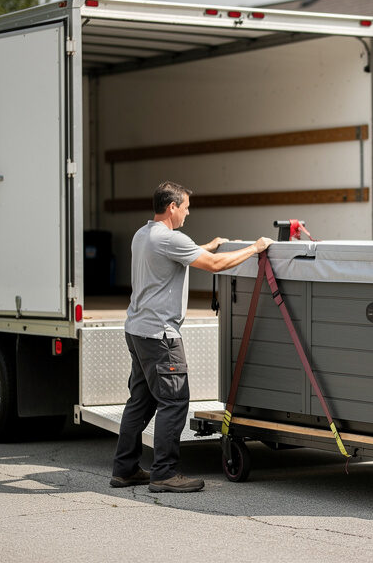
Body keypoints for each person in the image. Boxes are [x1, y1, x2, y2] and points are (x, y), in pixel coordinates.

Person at [110, 181, 273, 493]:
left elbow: (182, 255)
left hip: (137, 331)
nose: (187, 212)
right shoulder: (170, 238)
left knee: (140, 403)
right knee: (173, 401)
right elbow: (212, 266)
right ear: (172, 207)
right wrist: (255, 248)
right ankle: (165, 474)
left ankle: (125, 469)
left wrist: (207, 245)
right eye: (185, 207)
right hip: (160, 337)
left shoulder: (143, 235)